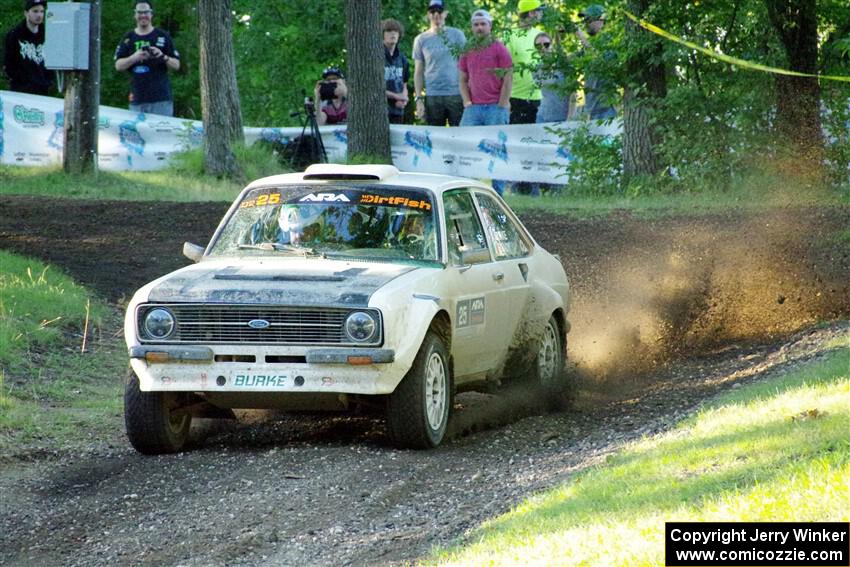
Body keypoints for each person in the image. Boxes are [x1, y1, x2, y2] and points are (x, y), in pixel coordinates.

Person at [458, 9, 512, 195]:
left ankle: (498, 193)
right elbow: (462, 78)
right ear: (472, 27)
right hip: (473, 108)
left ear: (490, 26)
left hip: (495, 107)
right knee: (467, 147)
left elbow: (508, 78)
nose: (479, 28)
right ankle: (469, 191)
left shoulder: (499, 48)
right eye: (476, 24)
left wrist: (502, 104)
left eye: (483, 24)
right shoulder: (467, 49)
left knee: (496, 151)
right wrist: (467, 102)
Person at [114, 1, 181, 116]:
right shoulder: (128, 38)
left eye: (146, 12)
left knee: (161, 133)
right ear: (135, 15)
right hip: (137, 99)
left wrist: (162, 56)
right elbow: (118, 65)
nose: (143, 15)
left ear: (151, 14)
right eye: (140, 12)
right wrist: (135, 57)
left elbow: (176, 65)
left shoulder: (162, 35)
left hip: (161, 99)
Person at [411, 0, 466, 126]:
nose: (436, 14)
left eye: (439, 11)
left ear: (445, 14)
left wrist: (467, 96)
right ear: (428, 15)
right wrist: (419, 99)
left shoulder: (457, 35)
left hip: (456, 95)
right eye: (432, 11)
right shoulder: (420, 40)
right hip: (432, 95)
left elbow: (465, 67)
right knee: (434, 139)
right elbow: (418, 72)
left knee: (460, 136)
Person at [505, 0, 544, 125]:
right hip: (516, 99)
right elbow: (504, 70)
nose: (541, 14)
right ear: (532, 13)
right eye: (539, 10)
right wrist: (505, 100)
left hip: (541, 98)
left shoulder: (540, 35)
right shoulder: (509, 36)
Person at [3, 0, 53, 95]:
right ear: (26, 13)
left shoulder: (48, 34)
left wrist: (48, 81)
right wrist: (20, 80)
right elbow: (8, 63)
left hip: (43, 90)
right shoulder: (14, 35)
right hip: (21, 91)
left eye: (42, 11)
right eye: (35, 11)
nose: (39, 15)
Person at [576, 4, 617, 120]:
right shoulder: (590, 44)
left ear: (601, 20)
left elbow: (602, 62)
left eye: (588, 20)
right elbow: (568, 61)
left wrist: (581, 37)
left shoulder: (609, 41)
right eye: (584, 20)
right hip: (591, 110)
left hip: (607, 110)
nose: (585, 23)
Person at [382, 19, 410, 124]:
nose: (393, 33)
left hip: (398, 110)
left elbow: (405, 84)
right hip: (381, 110)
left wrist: (404, 99)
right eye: (389, 31)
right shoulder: (376, 57)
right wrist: (396, 97)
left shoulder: (402, 58)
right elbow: (373, 87)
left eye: (396, 31)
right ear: (382, 34)